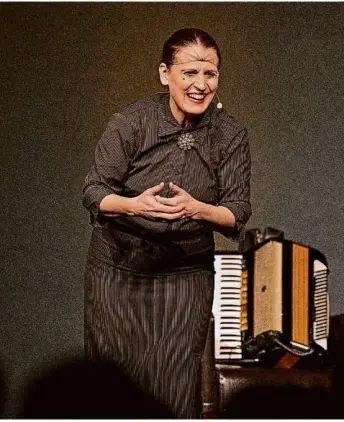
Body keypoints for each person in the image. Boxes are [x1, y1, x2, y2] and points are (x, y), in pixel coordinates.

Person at [82, 28, 251, 418]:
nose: (200, 84)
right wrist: (132, 205)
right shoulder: (132, 122)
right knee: (112, 385)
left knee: (174, 384)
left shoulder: (230, 134)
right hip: (120, 266)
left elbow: (236, 211)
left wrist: (197, 209)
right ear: (165, 74)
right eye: (189, 73)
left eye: (210, 74)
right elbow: (94, 192)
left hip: (185, 271)